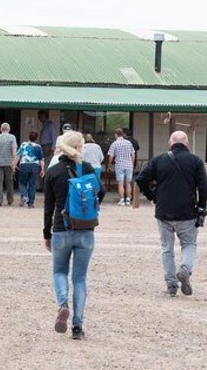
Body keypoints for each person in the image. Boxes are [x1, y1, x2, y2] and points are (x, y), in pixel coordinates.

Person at [43, 131, 105, 340]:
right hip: (86, 230)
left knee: (59, 271)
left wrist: (46, 234)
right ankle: (77, 326)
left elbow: (48, 207)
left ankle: (63, 304)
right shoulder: (86, 168)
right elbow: (102, 191)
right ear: (80, 147)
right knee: (79, 278)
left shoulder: (53, 171)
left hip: (61, 228)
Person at [135, 131, 207, 297]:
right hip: (187, 212)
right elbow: (205, 186)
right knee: (189, 244)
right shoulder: (196, 161)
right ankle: (184, 269)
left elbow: (141, 179)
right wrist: (201, 206)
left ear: (170, 143)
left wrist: (152, 196)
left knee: (166, 249)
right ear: (187, 144)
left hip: (163, 211)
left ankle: (171, 286)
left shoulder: (159, 159)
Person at [107, 128, 137, 205]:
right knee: (128, 183)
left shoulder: (114, 144)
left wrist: (110, 164)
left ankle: (121, 199)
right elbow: (133, 155)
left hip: (119, 165)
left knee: (120, 183)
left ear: (116, 135)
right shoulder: (129, 143)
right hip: (129, 165)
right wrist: (132, 164)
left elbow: (111, 156)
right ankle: (128, 199)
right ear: (123, 134)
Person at [0, 122, 17, 205]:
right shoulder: (12, 137)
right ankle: (10, 199)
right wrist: (14, 161)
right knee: (9, 181)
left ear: (0, 129)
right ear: (9, 129)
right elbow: (13, 149)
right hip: (8, 162)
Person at [16, 131, 45, 208]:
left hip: (24, 165)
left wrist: (14, 164)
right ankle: (31, 203)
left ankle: (24, 196)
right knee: (32, 185)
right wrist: (42, 170)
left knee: (22, 183)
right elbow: (41, 159)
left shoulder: (23, 145)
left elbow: (18, 155)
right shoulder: (38, 147)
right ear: (36, 138)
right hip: (34, 166)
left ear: (28, 137)